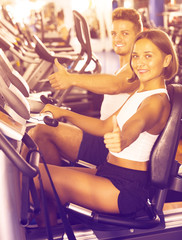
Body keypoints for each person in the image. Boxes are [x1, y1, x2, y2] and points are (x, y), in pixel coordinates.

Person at [34, 29, 179, 226]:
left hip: (123, 189)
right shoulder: (141, 92)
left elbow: (136, 125)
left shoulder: (156, 101)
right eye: (135, 56)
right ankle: (47, 227)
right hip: (109, 172)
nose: (139, 62)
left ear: (166, 60)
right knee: (39, 174)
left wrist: (123, 138)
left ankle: (43, 229)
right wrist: (65, 114)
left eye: (148, 56)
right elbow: (104, 126)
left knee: (32, 175)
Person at [21, 8, 143, 167]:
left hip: (112, 147)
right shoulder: (122, 67)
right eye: (114, 33)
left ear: (138, 36)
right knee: (39, 133)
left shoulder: (137, 67)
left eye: (125, 33)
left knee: (40, 132)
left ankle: (26, 184)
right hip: (103, 136)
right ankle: (47, 184)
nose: (117, 38)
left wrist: (71, 79)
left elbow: (115, 85)